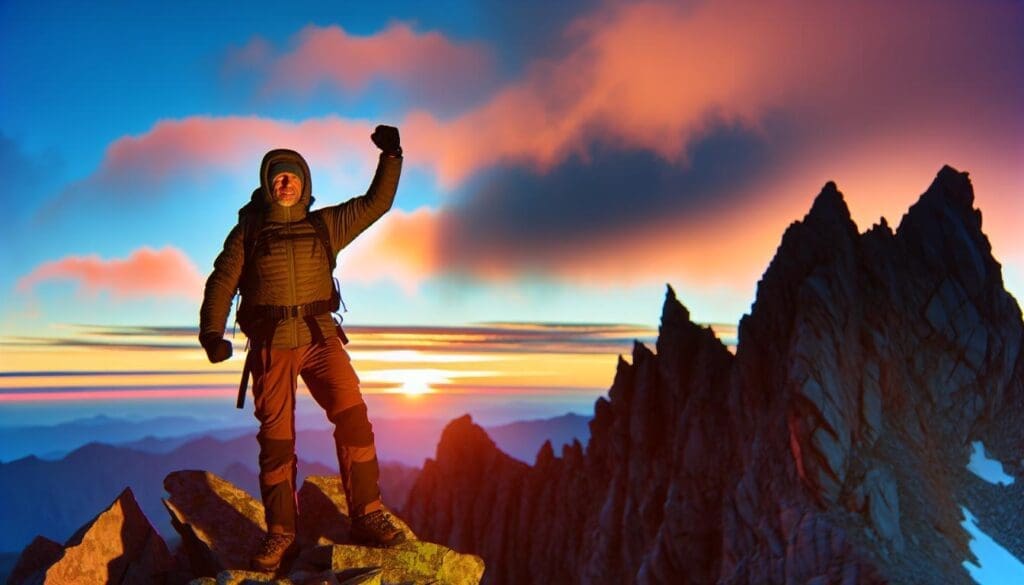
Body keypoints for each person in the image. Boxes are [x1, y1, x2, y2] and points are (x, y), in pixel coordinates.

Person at [198, 125, 405, 572]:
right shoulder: (248, 233)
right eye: (277, 178)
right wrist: (212, 334)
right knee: (277, 441)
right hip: (272, 344)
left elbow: (376, 204)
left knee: (353, 415)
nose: (285, 183)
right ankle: (281, 535)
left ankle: (367, 514)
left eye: (292, 177)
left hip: (320, 337)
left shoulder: (323, 225)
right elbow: (221, 282)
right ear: (267, 184)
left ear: (304, 183)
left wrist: (391, 157)